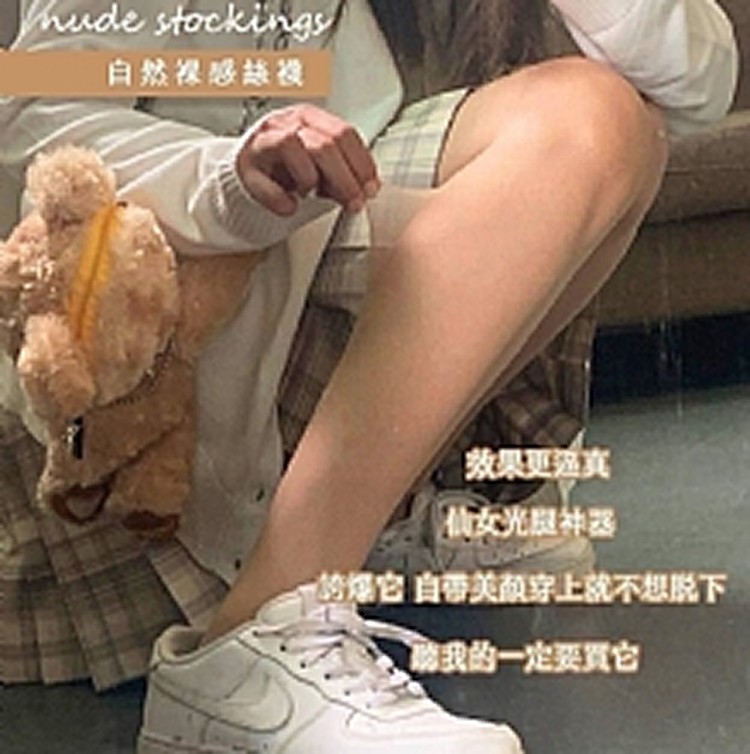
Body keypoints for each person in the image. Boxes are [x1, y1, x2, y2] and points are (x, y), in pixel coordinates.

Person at [0, 1, 738, 752]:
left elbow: (695, 85)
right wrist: (231, 174)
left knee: (603, 118)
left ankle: (371, 525)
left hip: (299, 241)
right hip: (140, 354)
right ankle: (257, 631)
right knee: (583, 128)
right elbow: (34, 117)